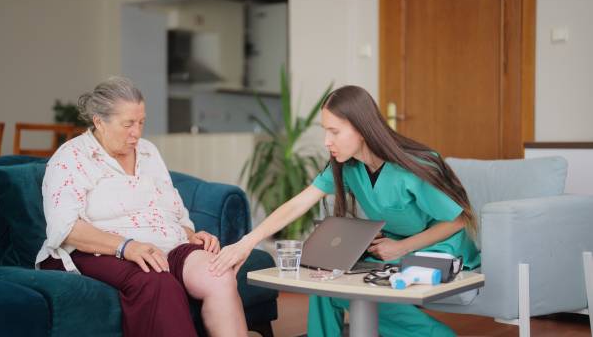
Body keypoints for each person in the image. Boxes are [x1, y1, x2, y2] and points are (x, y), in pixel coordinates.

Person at [210, 85, 481, 336]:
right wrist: (247, 242)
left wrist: (403, 247)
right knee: (325, 285)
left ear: (361, 129)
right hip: (393, 247)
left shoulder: (413, 166)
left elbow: (458, 220)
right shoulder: (348, 166)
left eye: (335, 132)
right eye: (325, 131)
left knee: (369, 289)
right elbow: (299, 203)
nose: (327, 141)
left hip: (439, 249)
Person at [36, 76, 248, 337]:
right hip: (96, 249)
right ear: (99, 122)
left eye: (141, 122)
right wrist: (127, 246)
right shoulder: (71, 157)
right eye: (128, 124)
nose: (137, 133)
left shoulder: (148, 152)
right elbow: (65, 229)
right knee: (158, 280)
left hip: (164, 245)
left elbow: (173, 210)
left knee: (218, 273)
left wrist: (192, 236)